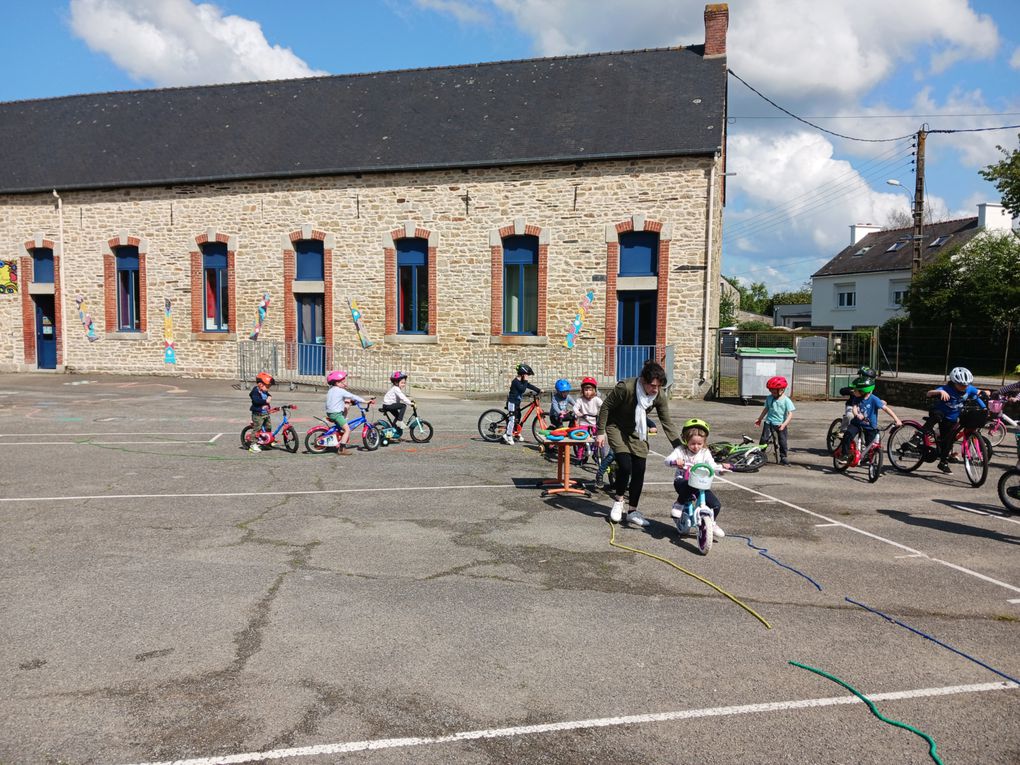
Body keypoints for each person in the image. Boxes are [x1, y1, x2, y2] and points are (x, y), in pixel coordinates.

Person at [596, 359, 682, 527]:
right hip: (616, 427)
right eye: (652, 385)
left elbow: (667, 422)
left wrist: (679, 447)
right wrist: (600, 432)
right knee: (625, 465)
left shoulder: (659, 395)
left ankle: (632, 511)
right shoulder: (625, 388)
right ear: (643, 380)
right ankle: (619, 501)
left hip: (637, 431)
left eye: (658, 386)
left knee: (639, 469)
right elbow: (606, 407)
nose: (655, 389)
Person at [664, 418, 731, 540]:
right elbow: (667, 461)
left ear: (704, 442)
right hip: (682, 482)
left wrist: (721, 468)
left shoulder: (705, 452)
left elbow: (712, 465)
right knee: (689, 486)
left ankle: (711, 523)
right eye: (692, 443)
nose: (696, 447)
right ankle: (679, 504)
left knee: (716, 505)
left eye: (699, 444)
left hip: (700, 484)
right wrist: (675, 461)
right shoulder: (680, 450)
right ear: (685, 440)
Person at [923, 366, 987, 474]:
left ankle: (943, 463)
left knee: (948, 441)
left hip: (952, 418)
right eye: (961, 384)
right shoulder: (946, 389)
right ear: (953, 382)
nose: (964, 387)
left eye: (966, 384)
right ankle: (922, 432)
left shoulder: (969, 388)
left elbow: (978, 394)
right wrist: (939, 393)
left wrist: (985, 399)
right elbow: (929, 393)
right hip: (941, 414)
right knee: (937, 415)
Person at [836, 377, 901, 461]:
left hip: (870, 426)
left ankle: (873, 465)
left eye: (855, 390)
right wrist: (857, 414)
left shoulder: (874, 399)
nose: (853, 391)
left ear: (863, 391)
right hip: (856, 423)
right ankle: (844, 454)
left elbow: (886, 409)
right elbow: (854, 408)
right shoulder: (856, 398)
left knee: (871, 446)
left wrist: (897, 419)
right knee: (847, 435)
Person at [325, 370, 372, 456]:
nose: (345, 383)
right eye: (343, 381)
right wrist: (365, 401)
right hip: (336, 414)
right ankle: (342, 449)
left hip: (330, 412)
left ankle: (339, 434)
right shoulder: (341, 391)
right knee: (347, 430)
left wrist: (349, 402)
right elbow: (353, 396)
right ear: (337, 383)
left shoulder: (331, 390)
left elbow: (339, 400)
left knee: (346, 407)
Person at [755, 375, 795, 465]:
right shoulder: (769, 398)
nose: (772, 393)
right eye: (771, 391)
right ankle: (760, 455)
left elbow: (790, 414)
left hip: (781, 424)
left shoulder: (786, 400)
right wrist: (759, 419)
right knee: (764, 439)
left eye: (774, 391)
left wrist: (784, 424)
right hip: (769, 422)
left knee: (783, 441)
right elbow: (766, 409)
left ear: (781, 390)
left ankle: (783, 457)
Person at [504, 363, 541, 445]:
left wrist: (539, 390)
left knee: (518, 417)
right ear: (522, 374)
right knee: (512, 419)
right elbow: (522, 389)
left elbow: (529, 385)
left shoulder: (522, 381)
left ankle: (515, 432)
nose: (527, 376)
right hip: (512, 402)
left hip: (517, 403)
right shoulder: (515, 382)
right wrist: (526, 380)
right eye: (527, 374)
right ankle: (508, 435)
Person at [247, 371, 274, 453]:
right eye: (268, 386)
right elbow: (256, 401)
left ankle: (267, 441)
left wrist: (269, 396)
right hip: (258, 414)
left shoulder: (264, 390)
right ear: (260, 384)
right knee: (257, 429)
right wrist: (266, 401)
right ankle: (253, 445)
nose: (268, 388)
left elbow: (267, 394)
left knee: (268, 427)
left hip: (265, 413)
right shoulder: (255, 392)